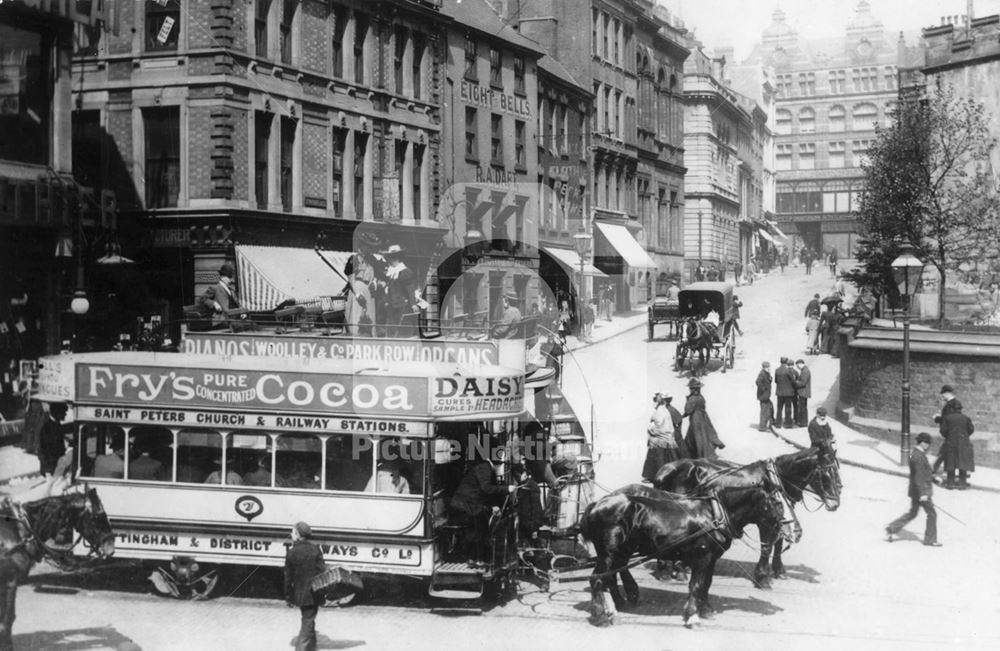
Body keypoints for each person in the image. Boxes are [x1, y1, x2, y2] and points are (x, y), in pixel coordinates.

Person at [448, 451, 517, 562]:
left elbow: (486, 491)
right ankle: (476, 558)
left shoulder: (486, 468)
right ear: (498, 463)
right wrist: (506, 489)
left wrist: (494, 505)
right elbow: (486, 488)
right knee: (481, 526)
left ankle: (478, 556)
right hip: (463, 506)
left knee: (483, 522)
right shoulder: (484, 469)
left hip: (469, 504)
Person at [885, 433, 940, 546]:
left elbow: (923, 472)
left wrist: (934, 478)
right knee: (932, 514)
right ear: (923, 443)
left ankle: (892, 528)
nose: (928, 446)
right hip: (922, 491)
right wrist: (923, 494)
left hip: (915, 490)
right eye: (927, 443)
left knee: (913, 513)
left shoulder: (915, 454)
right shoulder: (919, 456)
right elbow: (919, 476)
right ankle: (930, 540)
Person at [284, 521, 327, 651]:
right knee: (308, 621)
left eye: (292, 532)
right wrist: (324, 592)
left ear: (298, 534)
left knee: (308, 620)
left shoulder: (291, 552)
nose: (291, 534)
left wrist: (288, 596)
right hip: (314, 592)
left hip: (300, 594)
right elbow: (322, 573)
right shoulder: (315, 550)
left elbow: (287, 578)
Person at [642, 391, 685, 482]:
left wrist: (650, 430)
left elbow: (656, 427)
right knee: (670, 458)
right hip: (668, 438)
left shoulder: (658, 412)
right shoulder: (666, 411)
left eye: (655, 401)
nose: (653, 403)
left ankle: (653, 477)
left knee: (656, 457)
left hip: (660, 439)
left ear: (658, 402)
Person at [380, 244, 420, 337]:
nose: (388, 260)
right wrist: (387, 300)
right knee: (391, 331)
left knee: (401, 331)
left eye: (390, 258)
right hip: (392, 306)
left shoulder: (404, 272)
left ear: (396, 258)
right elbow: (390, 289)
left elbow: (410, 289)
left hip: (402, 306)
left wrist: (413, 304)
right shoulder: (391, 272)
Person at [938, 393, 975, 490]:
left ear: (953, 409)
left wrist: (949, 436)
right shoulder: (966, 418)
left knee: (951, 462)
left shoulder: (948, 418)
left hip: (951, 442)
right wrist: (964, 436)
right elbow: (971, 429)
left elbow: (943, 431)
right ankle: (962, 484)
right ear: (960, 409)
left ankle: (950, 484)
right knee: (962, 462)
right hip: (963, 443)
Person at [682, 378, 725, 459]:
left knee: (696, 437)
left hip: (695, 419)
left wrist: (682, 416)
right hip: (703, 417)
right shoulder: (701, 397)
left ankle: (697, 455)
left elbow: (688, 410)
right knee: (705, 434)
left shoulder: (692, 399)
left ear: (692, 389)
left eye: (690, 388)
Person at [38, 402, 70, 476]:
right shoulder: (47, 428)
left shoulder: (56, 425)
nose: (65, 414)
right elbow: (44, 451)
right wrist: (48, 472)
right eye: (63, 412)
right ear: (57, 413)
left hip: (57, 467)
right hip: (52, 469)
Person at [774, 356, 796, 429]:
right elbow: (793, 380)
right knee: (788, 409)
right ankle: (788, 424)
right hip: (788, 393)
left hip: (780, 392)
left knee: (779, 409)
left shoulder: (777, 370)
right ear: (786, 362)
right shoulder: (788, 371)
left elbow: (776, 381)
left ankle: (778, 424)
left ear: (780, 362)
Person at [756, 361, 774, 432]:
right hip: (763, 395)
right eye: (768, 367)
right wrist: (763, 389)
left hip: (766, 395)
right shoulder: (762, 374)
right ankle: (762, 427)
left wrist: (770, 379)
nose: (769, 368)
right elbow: (758, 382)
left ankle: (770, 422)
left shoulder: (766, 373)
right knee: (764, 411)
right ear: (765, 367)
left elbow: (767, 381)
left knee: (770, 407)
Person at [793, 359, 812, 427]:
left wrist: (796, 382)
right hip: (803, 392)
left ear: (801, 364)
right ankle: (803, 422)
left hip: (803, 392)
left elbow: (803, 383)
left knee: (802, 408)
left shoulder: (805, 371)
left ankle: (803, 423)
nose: (797, 367)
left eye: (798, 366)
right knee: (803, 407)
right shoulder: (804, 370)